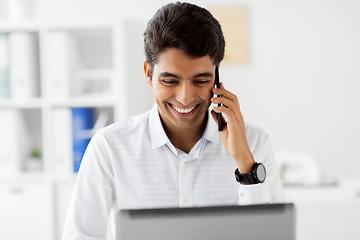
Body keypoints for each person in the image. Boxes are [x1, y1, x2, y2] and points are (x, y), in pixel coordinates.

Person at [62, 2, 284, 239]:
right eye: (170, 81)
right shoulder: (109, 146)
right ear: (149, 74)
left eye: (200, 81)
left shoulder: (254, 143)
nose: (185, 97)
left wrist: (246, 166)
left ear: (217, 76)